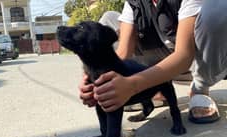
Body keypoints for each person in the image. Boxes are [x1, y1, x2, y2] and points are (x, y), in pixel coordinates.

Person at [79, 0, 227, 124]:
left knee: (218, 8)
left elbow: (184, 56)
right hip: (164, 63)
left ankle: (199, 89)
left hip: (198, 63)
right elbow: (123, 52)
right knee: (108, 20)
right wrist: (96, 81)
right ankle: (155, 90)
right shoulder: (134, 2)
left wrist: (132, 85)